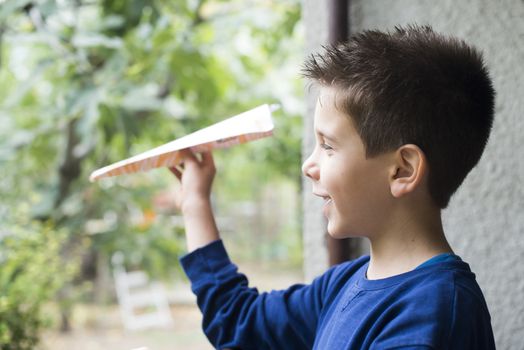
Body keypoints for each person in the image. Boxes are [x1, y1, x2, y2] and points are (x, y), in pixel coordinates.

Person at [169, 25, 496, 349]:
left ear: (402, 170)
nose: (308, 166)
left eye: (327, 146)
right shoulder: (344, 285)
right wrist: (195, 203)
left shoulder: (432, 313)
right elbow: (238, 322)